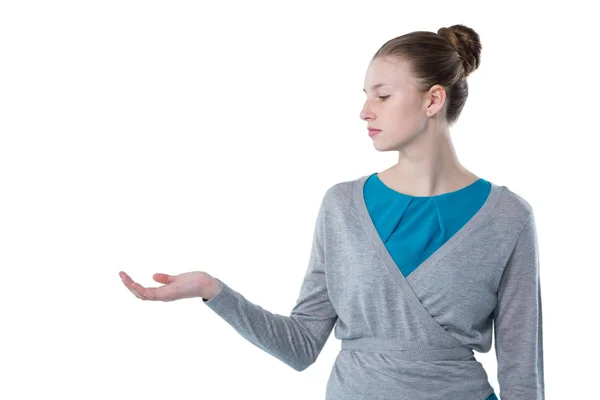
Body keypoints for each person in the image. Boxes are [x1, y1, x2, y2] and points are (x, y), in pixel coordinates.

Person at [119, 24, 544, 399]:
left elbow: (523, 375)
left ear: (433, 100)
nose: (365, 111)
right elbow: (302, 345)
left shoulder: (507, 218)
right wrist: (212, 290)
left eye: (382, 95)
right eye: (365, 96)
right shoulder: (342, 207)